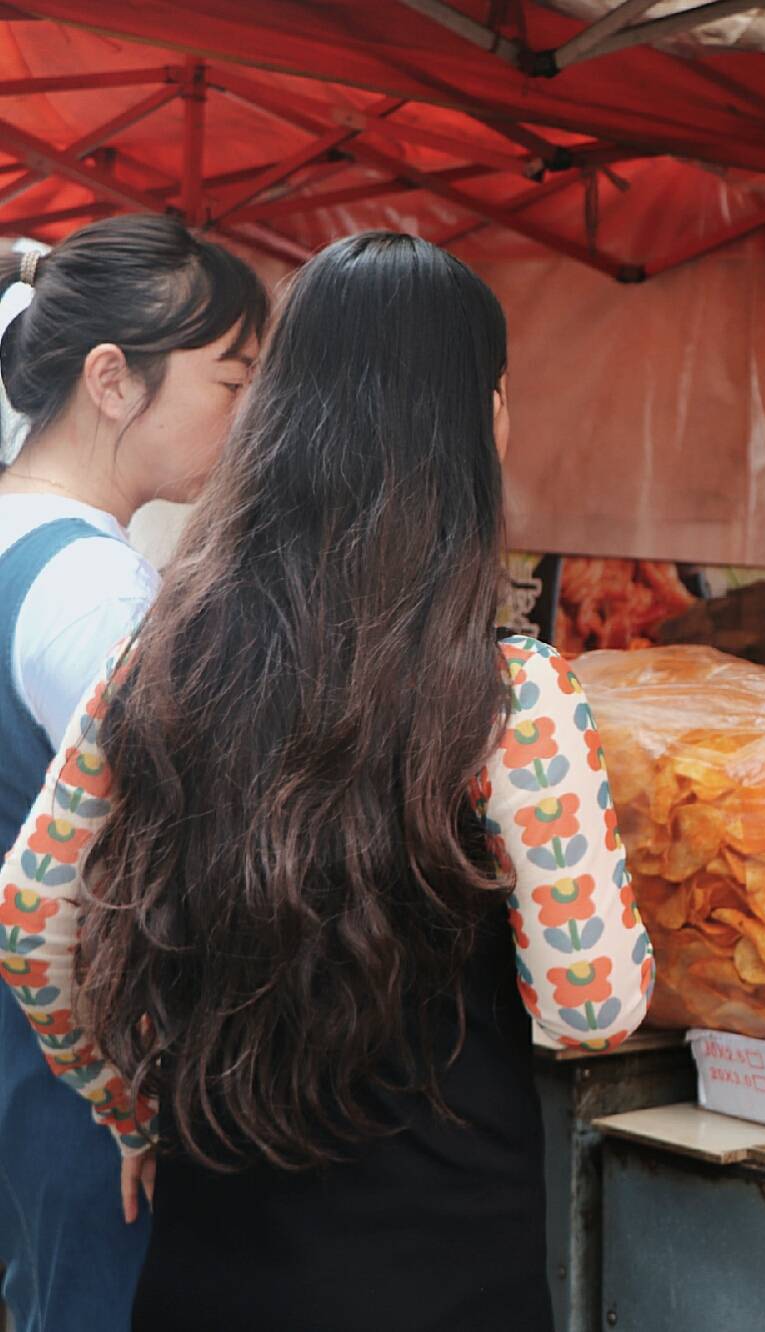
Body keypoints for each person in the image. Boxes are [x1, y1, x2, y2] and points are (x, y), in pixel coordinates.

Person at [0, 232, 653, 1330]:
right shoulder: (512, 695)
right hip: (441, 1277)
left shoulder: (155, 659)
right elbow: (592, 1008)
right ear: (483, 420)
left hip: (210, 1266)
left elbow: (30, 918)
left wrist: (127, 1108)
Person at [0, 213, 266, 1331]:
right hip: (86, 1084)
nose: (247, 414)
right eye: (231, 380)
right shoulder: (94, 592)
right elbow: (172, 861)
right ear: (113, 380)